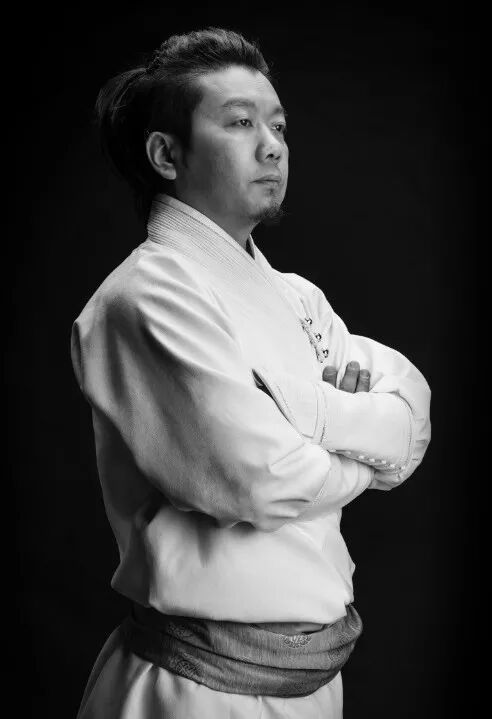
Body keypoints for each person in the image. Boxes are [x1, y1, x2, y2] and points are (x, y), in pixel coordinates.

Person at [71, 27, 431, 719]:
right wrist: (360, 451)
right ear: (166, 154)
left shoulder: (299, 298)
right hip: (196, 689)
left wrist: (303, 419)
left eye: (278, 126)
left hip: (316, 679)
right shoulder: (146, 296)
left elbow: (412, 413)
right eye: (240, 123)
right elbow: (259, 479)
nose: (273, 146)